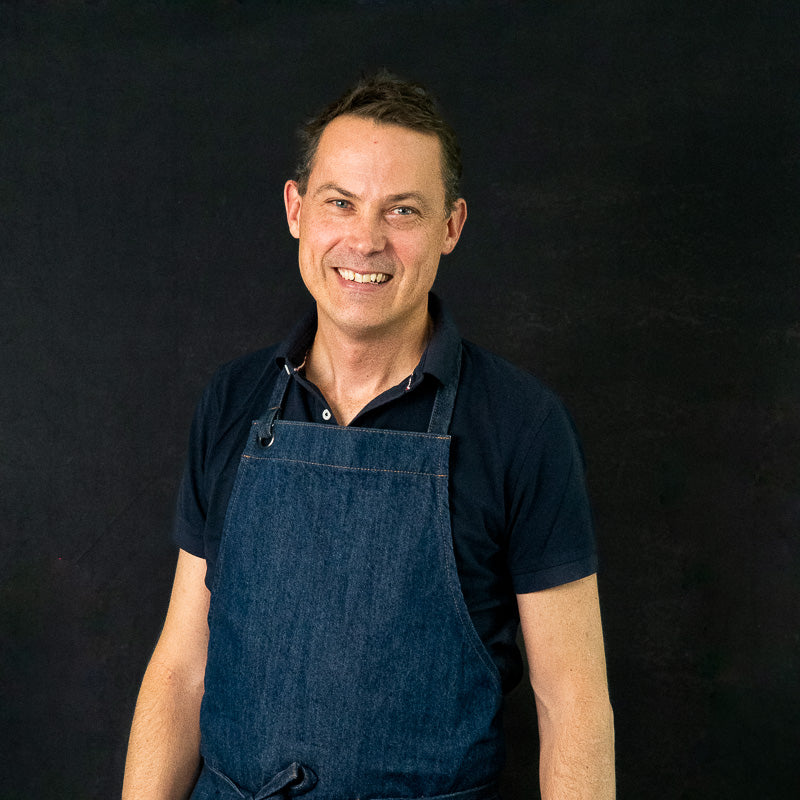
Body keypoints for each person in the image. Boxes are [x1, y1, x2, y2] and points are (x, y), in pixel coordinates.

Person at [122, 73, 615, 800]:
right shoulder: (233, 401)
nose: (365, 240)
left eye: (403, 211)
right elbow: (182, 668)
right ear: (297, 210)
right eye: (340, 202)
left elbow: (571, 705)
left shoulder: (522, 426)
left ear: (451, 225)